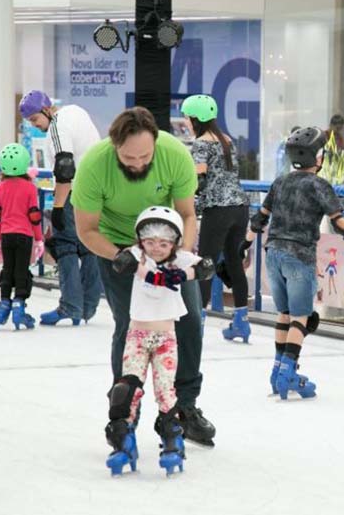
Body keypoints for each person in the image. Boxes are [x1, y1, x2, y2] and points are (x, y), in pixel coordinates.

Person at [72, 106, 216, 446]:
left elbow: (187, 214)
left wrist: (180, 258)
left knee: (190, 319)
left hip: (167, 247)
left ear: (155, 143)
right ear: (114, 146)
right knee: (130, 325)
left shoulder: (174, 155)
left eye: (144, 156)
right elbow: (87, 229)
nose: (137, 163)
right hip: (116, 246)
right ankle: (125, 409)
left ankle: (184, 407)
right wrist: (121, 257)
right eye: (128, 158)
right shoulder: (94, 166)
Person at [239, 126, 344, 400]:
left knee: (284, 315)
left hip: (272, 254)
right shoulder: (321, 186)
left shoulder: (280, 182)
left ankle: (276, 372)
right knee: (301, 317)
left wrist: (245, 245)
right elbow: (341, 224)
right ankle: (288, 373)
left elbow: (259, 218)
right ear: (318, 157)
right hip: (300, 257)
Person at [105, 206, 215, 476]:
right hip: (137, 336)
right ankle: (124, 441)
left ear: (174, 243)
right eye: (150, 242)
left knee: (166, 392)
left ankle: (172, 442)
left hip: (165, 339)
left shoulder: (179, 260)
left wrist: (187, 273)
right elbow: (122, 261)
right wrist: (130, 264)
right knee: (125, 391)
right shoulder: (138, 256)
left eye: (163, 243)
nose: (156, 248)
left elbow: (206, 266)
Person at [18, 90, 102, 326]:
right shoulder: (77, 111)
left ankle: (70, 307)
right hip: (96, 193)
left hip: (74, 194)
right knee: (90, 247)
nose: (36, 126)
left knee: (65, 247)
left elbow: (65, 168)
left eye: (35, 120)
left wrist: (57, 207)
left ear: (46, 110)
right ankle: (88, 307)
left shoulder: (56, 125)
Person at [180, 94, 251, 342]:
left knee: (206, 263)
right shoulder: (226, 141)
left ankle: (196, 323)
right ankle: (242, 322)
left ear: (196, 118)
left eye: (187, 117)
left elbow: (199, 181)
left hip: (218, 210)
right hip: (240, 208)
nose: (186, 122)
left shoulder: (201, 143)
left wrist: (187, 203)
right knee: (234, 261)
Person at [0, 143, 45, 330]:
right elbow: (34, 217)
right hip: (24, 235)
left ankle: (4, 302)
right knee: (22, 270)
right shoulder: (30, 188)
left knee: (8, 268)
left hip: (6, 235)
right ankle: (19, 304)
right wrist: (39, 239)